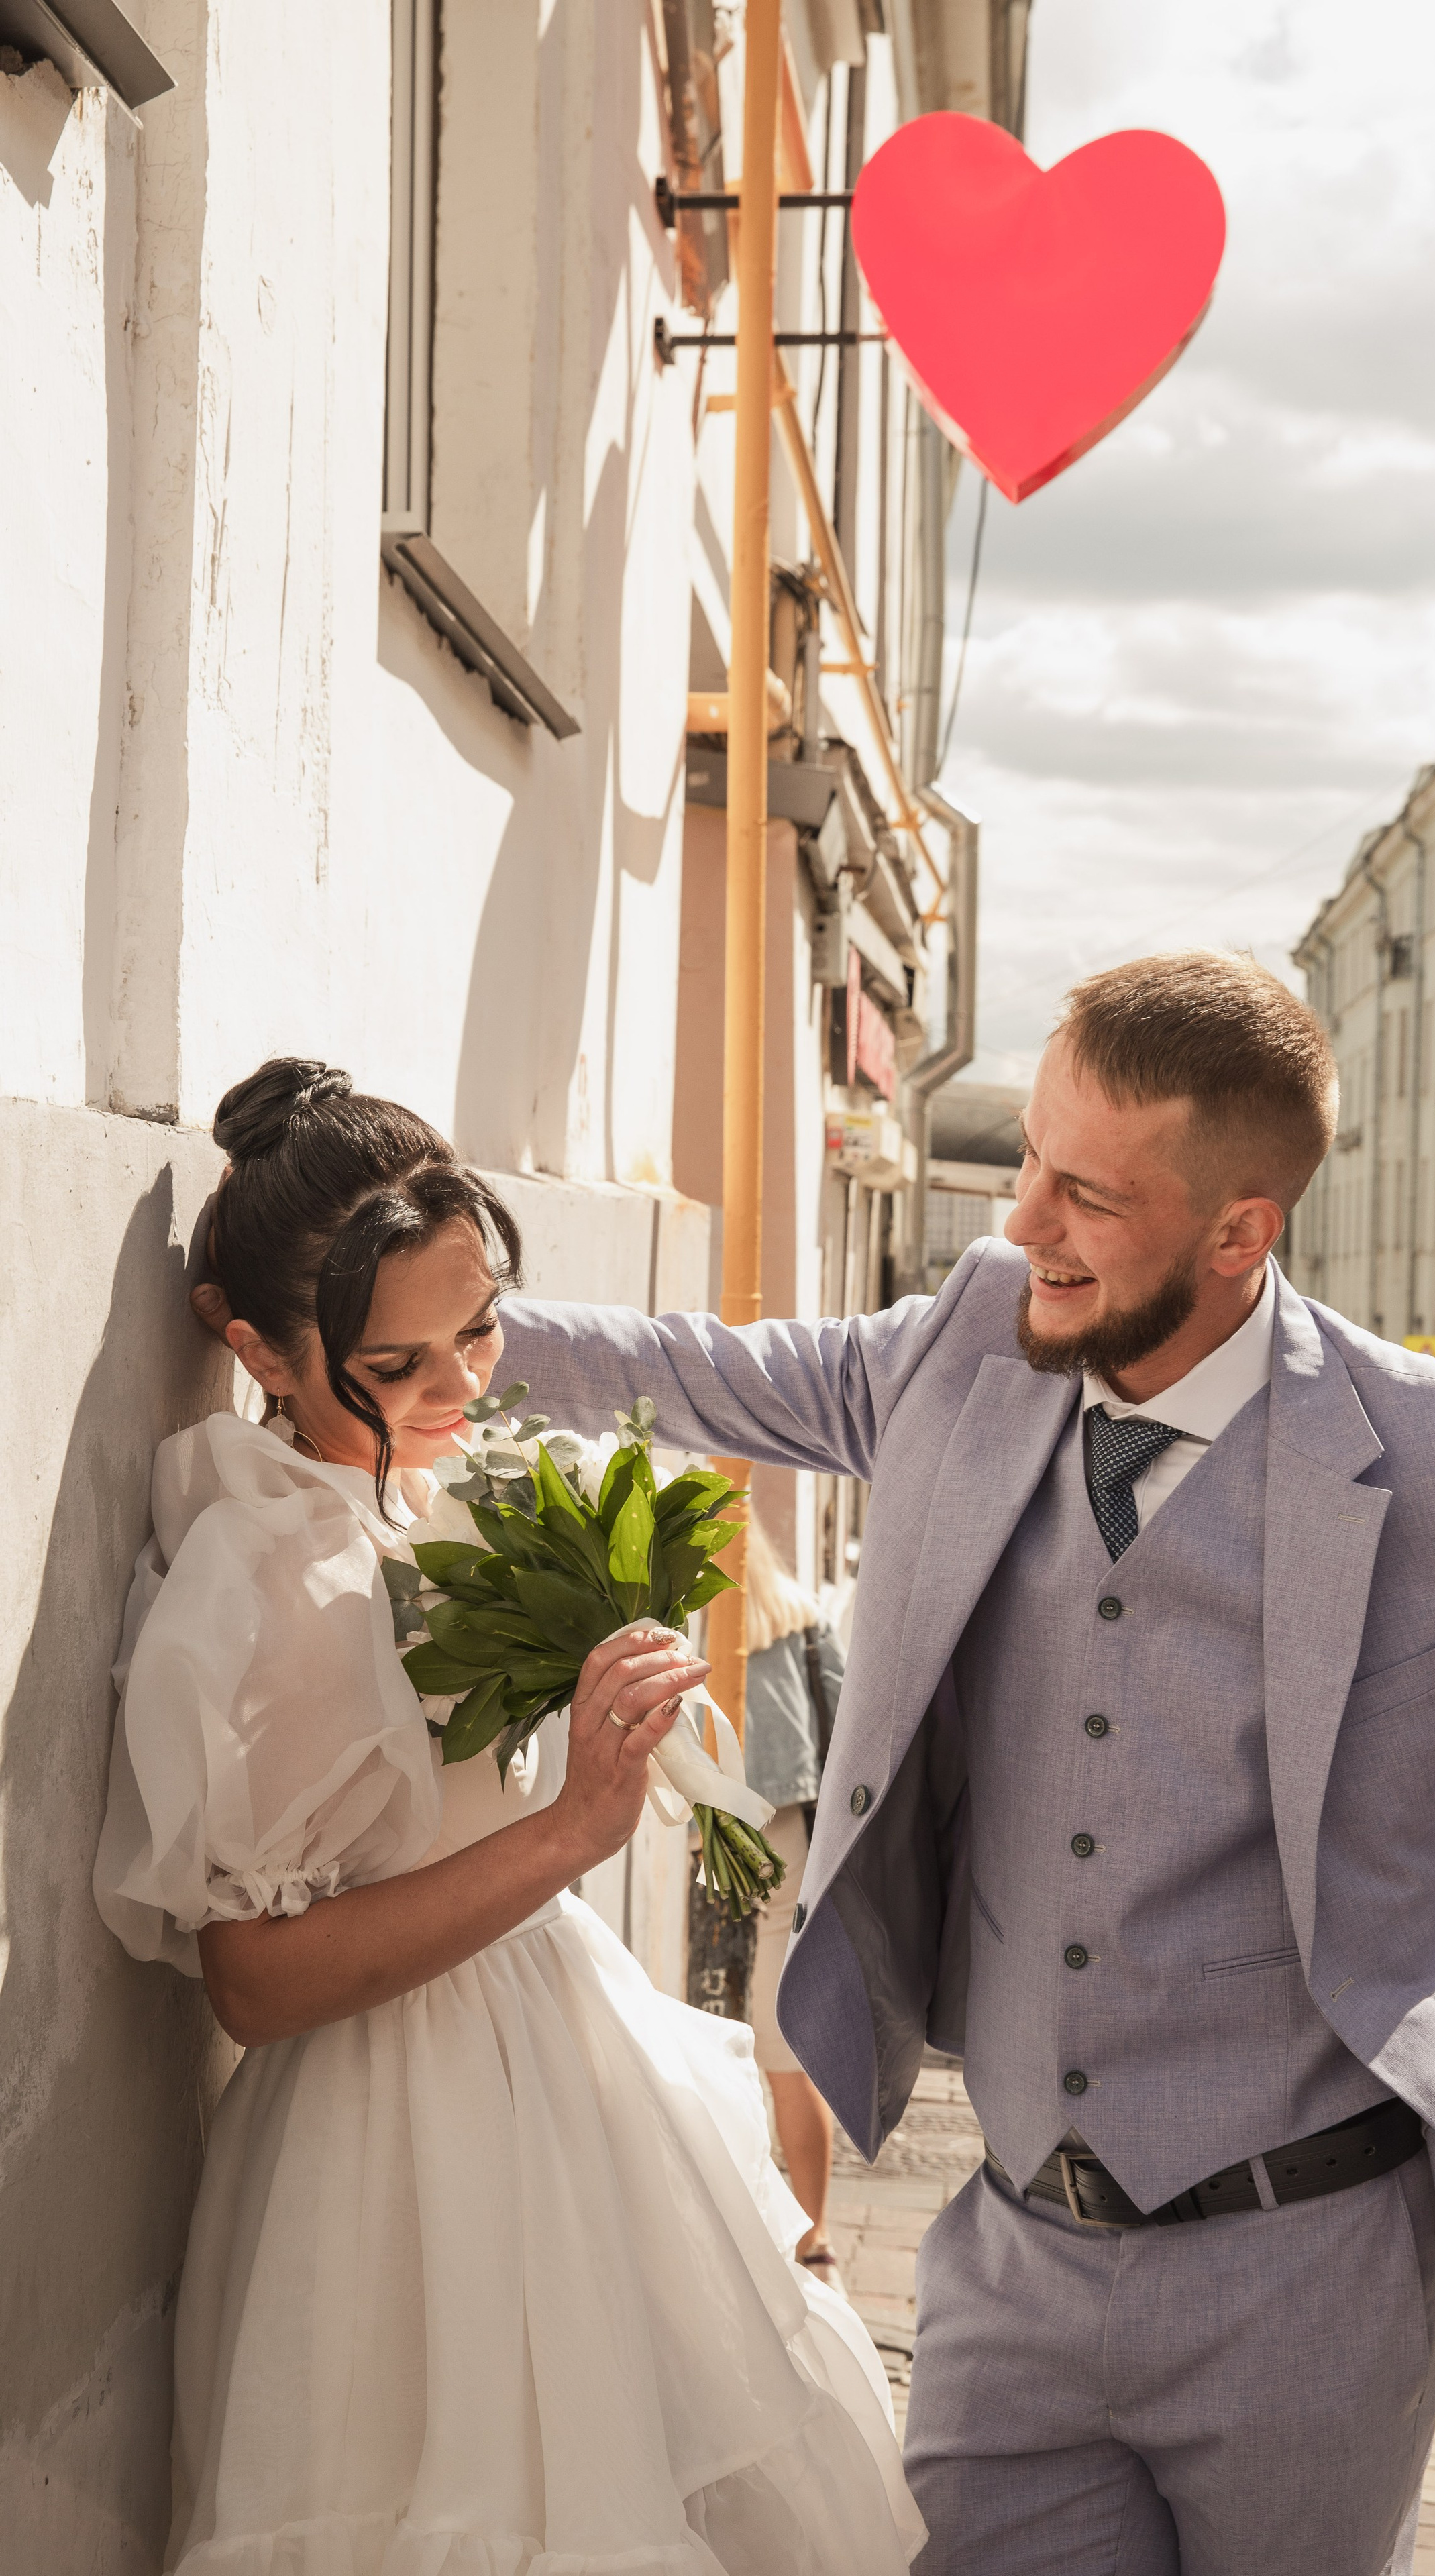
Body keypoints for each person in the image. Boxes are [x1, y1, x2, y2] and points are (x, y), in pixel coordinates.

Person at [498, 951, 1435, 2576]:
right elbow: (690, 1369)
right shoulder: (969, 1352)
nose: (1021, 1223)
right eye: (1027, 1164)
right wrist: (416, 1326)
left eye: (1083, 1190)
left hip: (1311, 2273)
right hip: (1014, 2265)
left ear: (1238, 1231)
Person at [93, 1058, 923, 2576]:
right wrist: (566, 1831)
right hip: (392, 2165)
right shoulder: (266, 1579)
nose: (462, 1389)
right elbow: (250, 1981)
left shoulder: (440, 1494)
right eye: (397, 1364)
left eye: (478, 1330)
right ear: (256, 1348)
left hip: (572, 2080)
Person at [738, 1517, 847, 2290]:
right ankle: (810, 2230)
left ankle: (798, 2228)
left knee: (766, 2044)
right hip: (784, 1833)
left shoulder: (688, 1615)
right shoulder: (798, 1616)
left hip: (733, 1827)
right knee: (779, 2049)